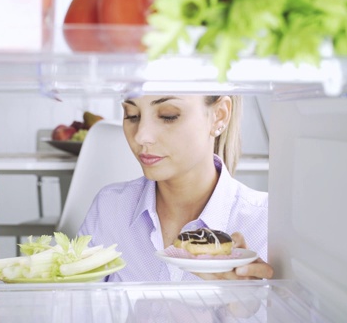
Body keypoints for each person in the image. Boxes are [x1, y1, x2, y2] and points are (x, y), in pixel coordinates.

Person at [78, 94, 273, 282]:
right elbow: (80, 309)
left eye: (168, 116)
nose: (141, 136)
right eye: (132, 115)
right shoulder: (109, 208)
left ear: (219, 115)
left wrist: (241, 304)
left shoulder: (266, 223)